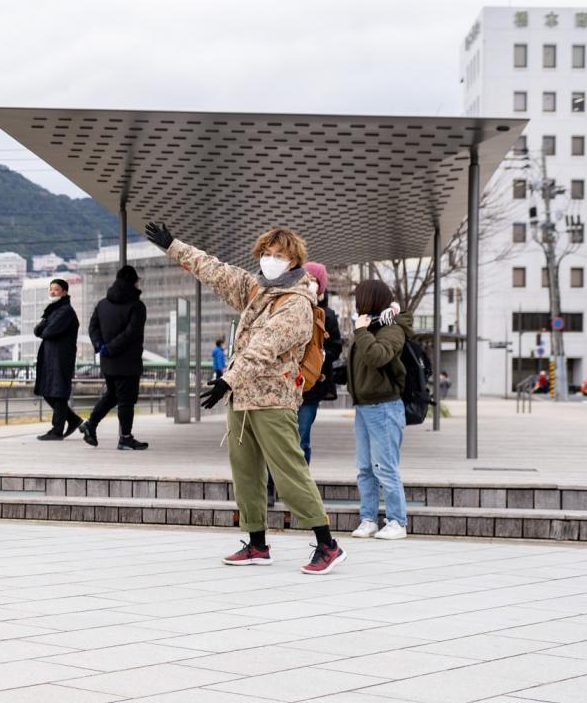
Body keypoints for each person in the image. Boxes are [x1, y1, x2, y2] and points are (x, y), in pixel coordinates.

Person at [145, 220, 343, 574]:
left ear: (294, 259)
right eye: (266, 253)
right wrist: (173, 245)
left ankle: (327, 543)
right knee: (246, 472)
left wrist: (227, 379)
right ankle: (256, 542)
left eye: (278, 254)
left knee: (288, 472)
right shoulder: (257, 290)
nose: (270, 259)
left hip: (273, 399)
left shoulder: (296, 302)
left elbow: (267, 346)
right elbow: (216, 271)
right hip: (242, 399)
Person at [344, 278, 412, 540]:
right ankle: (369, 519)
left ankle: (397, 521)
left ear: (369, 299)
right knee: (365, 468)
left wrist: (361, 332)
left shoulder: (392, 328)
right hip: (364, 406)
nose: (356, 302)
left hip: (384, 406)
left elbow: (377, 356)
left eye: (358, 297)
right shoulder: (369, 325)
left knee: (385, 467)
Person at [79, 265, 149, 450]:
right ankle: (125, 438)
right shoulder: (137, 306)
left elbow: (92, 327)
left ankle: (90, 425)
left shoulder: (102, 304)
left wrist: (100, 346)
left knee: (112, 395)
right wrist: (110, 348)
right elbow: (132, 333)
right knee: (126, 400)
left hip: (108, 362)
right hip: (128, 362)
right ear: (133, 282)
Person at [297, 261, 343, 463]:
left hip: (312, 384)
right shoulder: (287, 308)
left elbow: (336, 346)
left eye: (314, 281)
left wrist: (320, 357)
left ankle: (299, 487)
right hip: (283, 384)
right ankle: (272, 484)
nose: (309, 285)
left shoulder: (328, 315)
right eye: (305, 280)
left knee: (302, 437)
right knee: (279, 440)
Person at [32, 278, 82, 439]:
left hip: (61, 357)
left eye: (56, 289)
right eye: (51, 289)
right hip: (50, 356)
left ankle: (57, 430)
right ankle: (72, 420)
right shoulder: (53, 310)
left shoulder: (65, 311)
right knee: (48, 391)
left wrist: (43, 328)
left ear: (65, 292)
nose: (52, 292)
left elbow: (47, 332)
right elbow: (37, 330)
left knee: (58, 392)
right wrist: (42, 328)